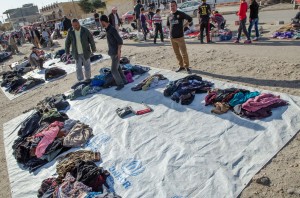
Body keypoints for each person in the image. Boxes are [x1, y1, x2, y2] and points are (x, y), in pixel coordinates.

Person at [100, 15, 127, 91]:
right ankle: (124, 80)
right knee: (117, 68)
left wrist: (118, 52)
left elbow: (120, 41)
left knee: (113, 70)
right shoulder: (108, 29)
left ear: (103, 22)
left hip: (115, 52)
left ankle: (120, 83)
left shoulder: (112, 29)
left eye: (101, 22)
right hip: (112, 52)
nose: (100, 24)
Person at [167, 1, 193, 73]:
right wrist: (170, 32)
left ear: (176, 6)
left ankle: (186, 66)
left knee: (184, 53)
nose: (172, 7)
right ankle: (181, 66)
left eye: (173, 5)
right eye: (171, 6)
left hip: (180, 37)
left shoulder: (180, 14)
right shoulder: (169, 16)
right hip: (172, 38)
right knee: (177, 53)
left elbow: (190, 19)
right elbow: (168, 25)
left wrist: (184, 26)